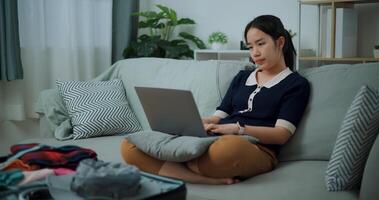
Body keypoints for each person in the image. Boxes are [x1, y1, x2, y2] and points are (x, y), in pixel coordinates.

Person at [120, 15, 310, 185]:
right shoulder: (242, 77)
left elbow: (281, 134)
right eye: (250, 47)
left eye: (261, 44)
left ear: (280, 42)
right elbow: (218, 117)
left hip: (254, 148)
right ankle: (198, 177)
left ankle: (182, 164)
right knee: (131, 145)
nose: (255, 53)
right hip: (213, 139)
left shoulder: (295, 84)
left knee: (225, 150)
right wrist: (194, 121)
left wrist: (238, 130)